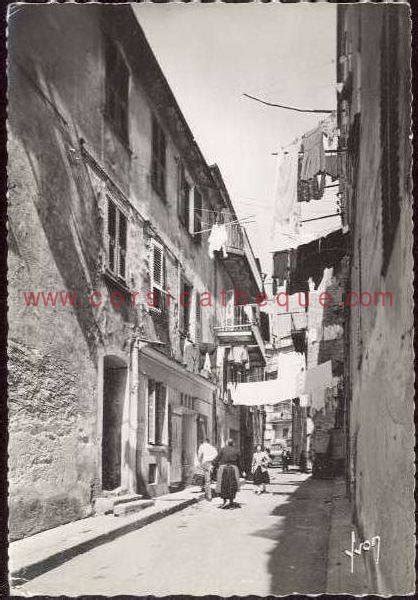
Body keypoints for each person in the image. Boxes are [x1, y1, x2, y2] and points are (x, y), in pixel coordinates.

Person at [214, 439, 242, 509]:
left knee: (223, 485)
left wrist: (213, 465)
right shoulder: (237, 450)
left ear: (227, 443)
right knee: (233, 484)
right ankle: (231, 501)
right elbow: (239, 462)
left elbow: (217, 459)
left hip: (223, 469)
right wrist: (242, 470)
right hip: (233, 469)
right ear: (233, 444)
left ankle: (224, 500)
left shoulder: (223, 449)